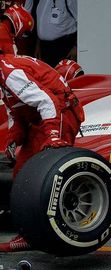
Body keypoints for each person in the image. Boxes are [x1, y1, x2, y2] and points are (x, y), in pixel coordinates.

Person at [0, 53, 84, 252]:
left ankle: (63, 235)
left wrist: (53, 134)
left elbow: (47, 101)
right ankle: (28, 235)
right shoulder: (4, 75)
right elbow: (17, 111)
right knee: (21, 173)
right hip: (41, 119)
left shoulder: (10, 72)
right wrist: (13, 139)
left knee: (47, 178)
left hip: (59, 114)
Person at [24, 0, 77, 67]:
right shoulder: (41, 2)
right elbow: (41, 23)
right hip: (45, 47)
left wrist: (76, 47)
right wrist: (38, 44)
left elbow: (81, 20)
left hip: (63, 47)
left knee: (62, 75)